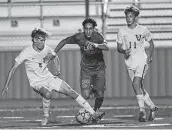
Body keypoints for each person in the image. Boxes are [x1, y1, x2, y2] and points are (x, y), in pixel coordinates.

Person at [1, 28, 105, 126]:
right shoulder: (26, 52)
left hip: (49, 77)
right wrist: (6, 85)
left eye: (44, 40)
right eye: (40, 40)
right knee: (47, 93)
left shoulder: (46, 49)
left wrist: (58, 68)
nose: (43, 42)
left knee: (71, 92)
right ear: (34, 40)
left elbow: (54, 57)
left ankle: (93, 113)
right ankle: (46, 117)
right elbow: (13, 68)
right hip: (36, 82)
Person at [44, 18, 109, 123]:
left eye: (90, 29)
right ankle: (92, 93)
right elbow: (64, 41)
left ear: (94, 29)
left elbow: (106, 47)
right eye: (86, 29)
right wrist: (54, 53)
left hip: (99, 69)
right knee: (86, 95)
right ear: (83, 29)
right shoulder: (79, 37)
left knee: (100, 95)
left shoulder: (98, 36)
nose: (88, 31)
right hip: (86, 70)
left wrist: (97, 45)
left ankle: (95, 113)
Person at [117, 5, 158, 122]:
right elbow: (119, 48)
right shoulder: (121, 31)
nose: (128, 18)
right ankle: (153, 107)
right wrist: (124, 50)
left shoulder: (143, 30)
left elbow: (151, 43)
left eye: (131, 16)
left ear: (136, 18)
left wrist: (149, 55)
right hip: (130, 62)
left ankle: (142, 111)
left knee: (135, 84)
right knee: (139, 88)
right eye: (127, 16)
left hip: (141, 61)